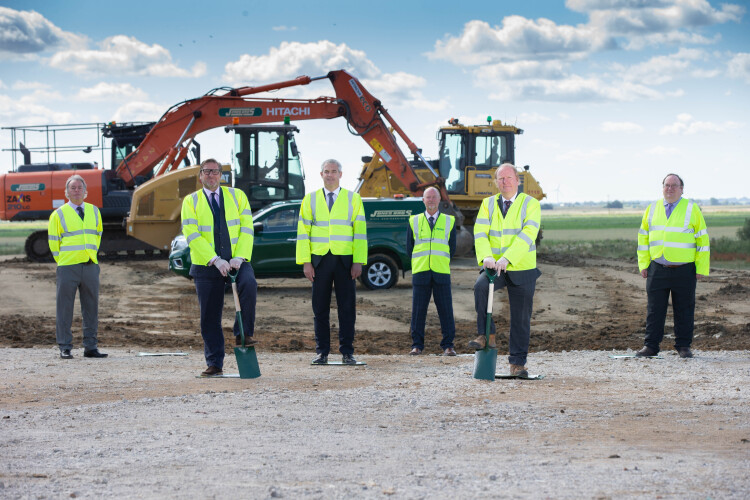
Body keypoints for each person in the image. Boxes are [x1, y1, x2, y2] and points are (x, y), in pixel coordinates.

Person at [181, 159, 258, 377]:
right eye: (207, 172)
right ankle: (214, 363)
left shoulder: (237, 196)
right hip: (207, 265)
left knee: (249, 285)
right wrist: (215, 260)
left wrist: (240, 256)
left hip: (236, 261)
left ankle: (243, 333)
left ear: (221, 175)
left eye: (215, 172)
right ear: (200, 175)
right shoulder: (191, 201)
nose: (211, 176)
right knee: (209, 317)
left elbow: (247, 228)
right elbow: (192, 235)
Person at [470, 163, 541, 377]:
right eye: (501, 179)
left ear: (517, 181)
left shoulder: (531, 204)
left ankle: (517, 364)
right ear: (496, 182)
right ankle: (485, 335)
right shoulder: (487, 204)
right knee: (480, 287)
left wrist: (507, 258)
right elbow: (480, 231)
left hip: (521, 266)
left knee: (520, 317)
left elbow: (528, 233)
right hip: (495, 266)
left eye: (509, 178)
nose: (505, 182)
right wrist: (486, 256)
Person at [296, 159, 367, 365]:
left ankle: (347, 352)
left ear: (340, 174)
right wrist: (305, 262)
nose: (330, 175)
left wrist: (359, 261)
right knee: (320, 309)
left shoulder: (353, 199)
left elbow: (360, 232)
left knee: (347, 309)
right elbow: (303, 233)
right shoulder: (309, 200)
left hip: (345, 261)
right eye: (326, 171)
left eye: (333, 171)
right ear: (321, 174)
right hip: (319, 261)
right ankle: (322, 352)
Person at [635, 173, 710, 359]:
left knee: (684, 309)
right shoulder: (652, 209)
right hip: (657, 268)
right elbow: (643, 238)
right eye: (667, 185)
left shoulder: (692, 209)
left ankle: (683, 346)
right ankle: (651, 347)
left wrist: (701, 268)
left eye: (674, 185)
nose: (670, 189)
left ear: (681, 189)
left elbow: (703, 240)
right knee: (654, 310)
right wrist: (644, 264)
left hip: (684, 269)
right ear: (662, 188)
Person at [48, 174, 106, 359]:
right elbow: (53, 242)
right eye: (72, 188)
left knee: (91, 308)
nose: (76, 190)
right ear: (66, 192)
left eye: (79, 187)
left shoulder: (94, 211)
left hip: (90, 266)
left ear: (86, 192)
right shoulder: (58, 214)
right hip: (67, 267)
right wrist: (63, 260)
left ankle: (90, 347)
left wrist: (91, 256)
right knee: (64, 308)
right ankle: (65, 347)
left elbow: (97, 235)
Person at [406, 186, 457, 356]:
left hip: (441, 271)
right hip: (421, 272)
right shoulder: (413, 221)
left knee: (446, 310)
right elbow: (409, 248)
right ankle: (417, 346)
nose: (431, 200)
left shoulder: (449, 221)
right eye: (428, 197)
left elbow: (452, 248)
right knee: (418, 311)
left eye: (434, 197)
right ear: (423, 200)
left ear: (439, 200)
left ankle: (448, 346)